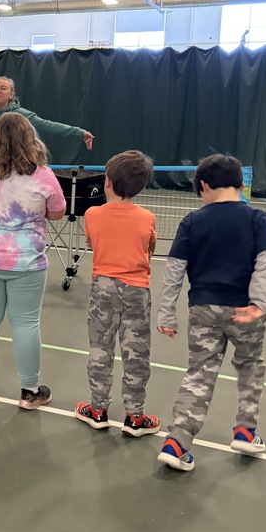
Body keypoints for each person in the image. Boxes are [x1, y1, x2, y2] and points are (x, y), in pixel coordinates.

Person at [156, 154, 266, 472]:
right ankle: (245, 431)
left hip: (203, 309)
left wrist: (166, 313)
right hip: (245, 310)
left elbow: (174, 270)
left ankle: (177, 442)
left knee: (199, 372)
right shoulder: (260, 219)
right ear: (240, 184)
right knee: (250, 365)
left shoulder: (192, 221)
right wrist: (260, 304)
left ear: (204, 186)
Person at [0, 112, 66, 407]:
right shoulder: (43, 175)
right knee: (26, 324)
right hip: (27, 264)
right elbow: (57, 212)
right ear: (30, 139)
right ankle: (30, 392)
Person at [0, 76, 94, 281]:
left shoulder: (22, 115)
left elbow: (48, 125)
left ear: (11, 94)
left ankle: (14, 262)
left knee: (12, 222)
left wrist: (79, 133)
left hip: (14, 180)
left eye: (3, 88)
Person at [74, 150, 161, 436]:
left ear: (107, 182)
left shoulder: (92, 214)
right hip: (137, 291)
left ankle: (97, 410)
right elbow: (150, 248)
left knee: (100, 348)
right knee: (136, 352)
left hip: (103, 288)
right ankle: (135, 417)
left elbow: (91, 243)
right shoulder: (148, 218)